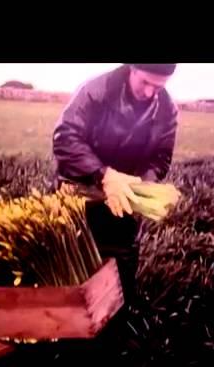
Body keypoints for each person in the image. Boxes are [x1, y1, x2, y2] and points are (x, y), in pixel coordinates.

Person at [52, 64, 178, 304]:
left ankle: (118, 324)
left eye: (159, 86)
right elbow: (65, 139)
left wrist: (138, 187)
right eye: (145, 82)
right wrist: (105, 176)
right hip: (81, 194)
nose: (151, 92)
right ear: (132, 68)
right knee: (75, 269)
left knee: (121, 274)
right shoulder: (96, 91)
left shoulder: (167, 110)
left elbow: (161, 158)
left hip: (125, 203)